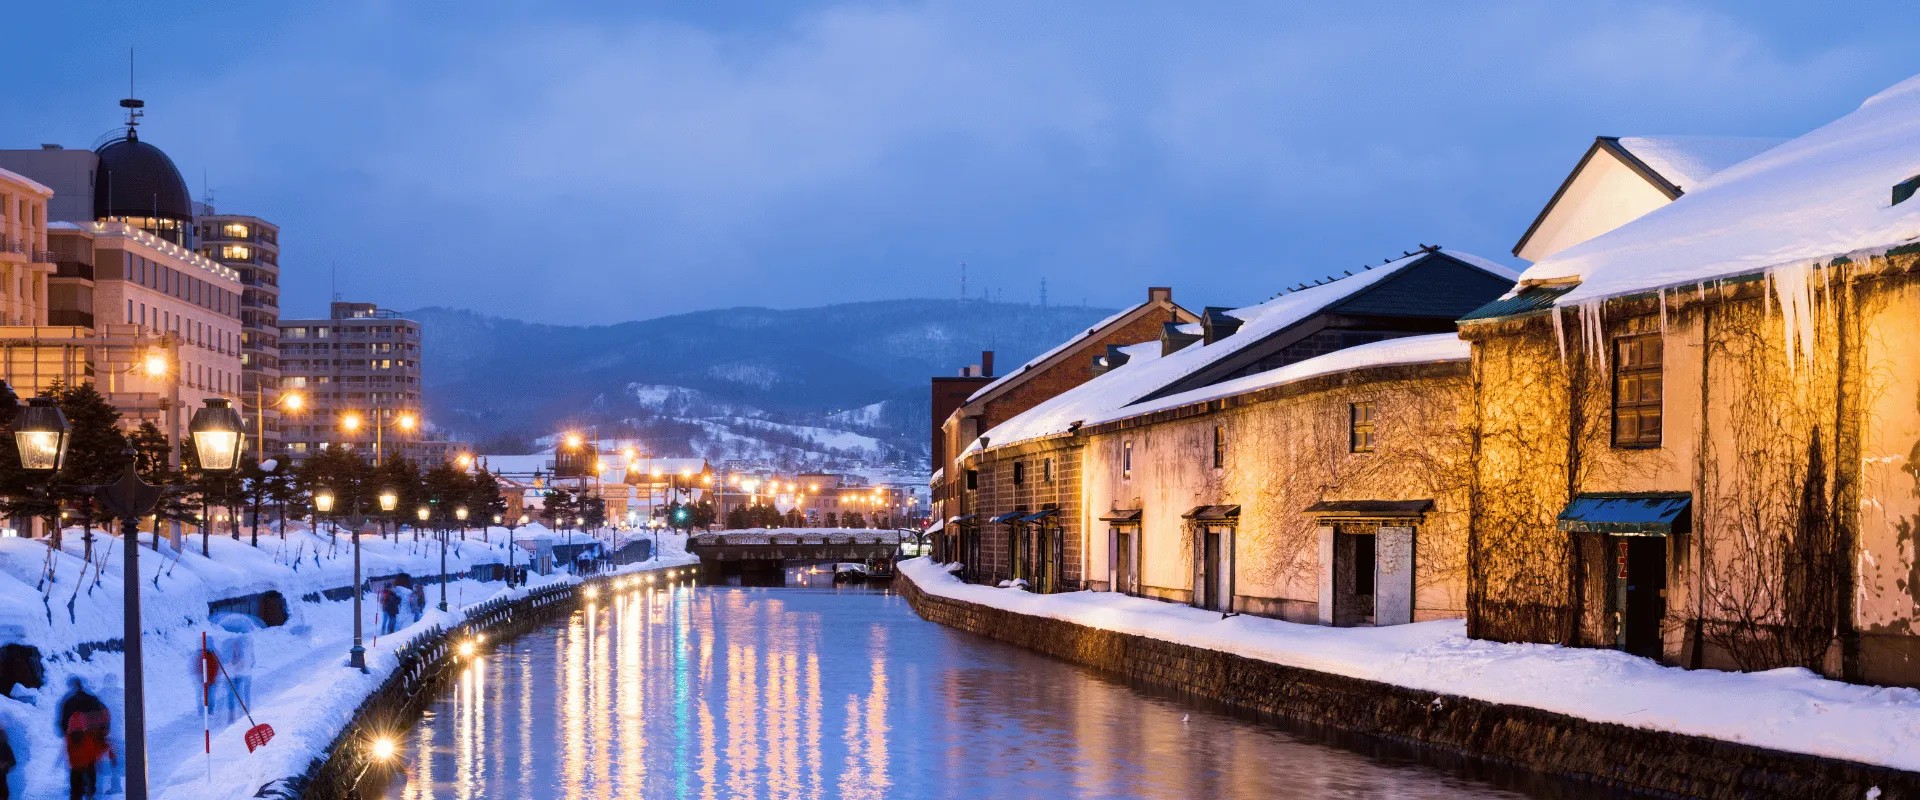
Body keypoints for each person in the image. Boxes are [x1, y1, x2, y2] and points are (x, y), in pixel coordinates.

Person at [58, 678, 111, 800]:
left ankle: (76, 793)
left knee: (76, 767)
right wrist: (103, 732)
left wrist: (66, 732)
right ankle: (90, 791)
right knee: (90, 764)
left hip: (74, 738)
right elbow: (103, 714)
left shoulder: (69, 701)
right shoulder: (92, 699)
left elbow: (63, 721)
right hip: (91, 737)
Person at [222, 632, 254, 724]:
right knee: (231, 696)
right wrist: (237, 663)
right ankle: (232, 716)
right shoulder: (228, 653)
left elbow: (245, 663)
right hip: (229, 676)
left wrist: (240, 663)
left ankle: (241, 712)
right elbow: (230, 664)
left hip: (237, 676)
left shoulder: (240, 652)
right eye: (235, 645)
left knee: (238, 694)